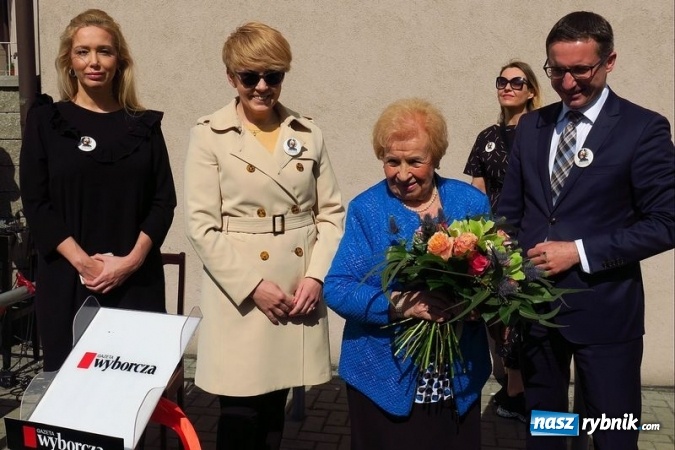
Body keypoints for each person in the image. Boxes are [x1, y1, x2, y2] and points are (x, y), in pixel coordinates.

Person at [499, 11, 675, 450]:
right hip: (536, 313)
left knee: (612, 433)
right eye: (556, 70)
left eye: (580, 70)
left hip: (606, 314)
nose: (567, 82)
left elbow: (666, 222)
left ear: (609, 61)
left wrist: (578, 251)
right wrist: (501, 258)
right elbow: (510, 214)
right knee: (548, 429)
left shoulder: (642, 128)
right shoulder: (531, 127)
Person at [184, 22, 345, 450]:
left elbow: (331, 214)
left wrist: (316, 276)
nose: (261, 87)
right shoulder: (209, 135)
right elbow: (201, 226)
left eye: (273, 76)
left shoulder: (307, 132)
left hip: (295, 288)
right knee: (240, 414)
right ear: (230, 77)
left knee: (274, 411)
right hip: (240, 292)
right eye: (249, 76)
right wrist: (254, 286)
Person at [324, 98, 491, 450]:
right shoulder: (367, 209)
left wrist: (478, 305)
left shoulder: (469, 203)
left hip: (457, 376)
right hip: (382, 376)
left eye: (415, 161)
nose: (402, 174)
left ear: (437, 157)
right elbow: (337, 288)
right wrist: (401, 303)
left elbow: (491, 273)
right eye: (392, 161)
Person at [19, 9, 176, 372]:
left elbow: (163, 201)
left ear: (119, 61)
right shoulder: (45, 121)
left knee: (132, 391)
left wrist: (130, 262)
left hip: (136, 283)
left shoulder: (144, 126)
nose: (94, 61)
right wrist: (85, 264)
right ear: (69, 61)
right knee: (72, 391)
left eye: (104, 51)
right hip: (69, 283)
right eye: (83, 51)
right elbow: (36, 203)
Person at [463, 60, 542, 423]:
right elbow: (476, 193)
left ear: (531, 90)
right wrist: (475, 238)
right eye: (502, 81)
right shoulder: (487, 138)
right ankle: (514, 387)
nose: (507, 87)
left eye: (517, 81)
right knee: (499, 314)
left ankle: (519, 390)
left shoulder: (544, 132)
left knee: (524, 313)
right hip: (496, 239)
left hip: (535, 236)